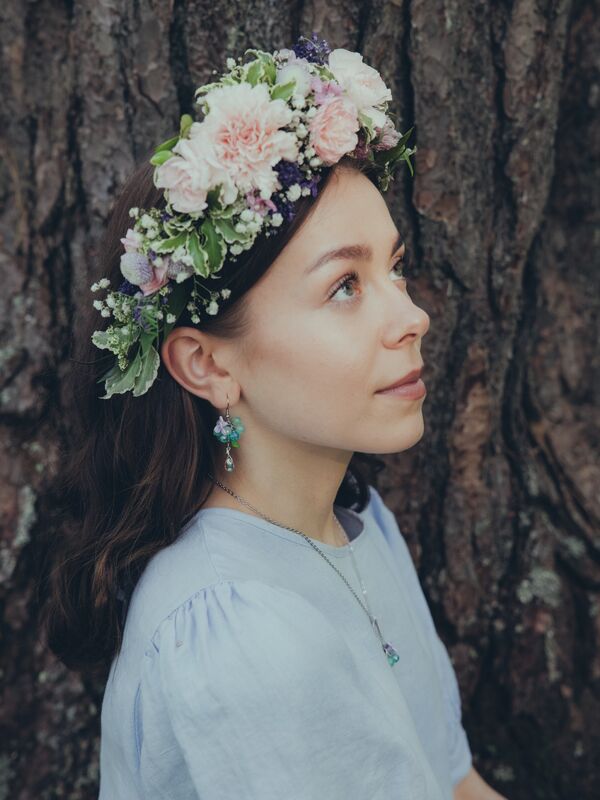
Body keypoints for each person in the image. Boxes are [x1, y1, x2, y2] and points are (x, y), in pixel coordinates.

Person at [38, 33, 505, 800]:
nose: (414, 315)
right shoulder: (239, 641)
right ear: (208, 365)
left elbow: (452, 780)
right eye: (344, 287)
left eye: (393, 268)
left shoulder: (357, 523)